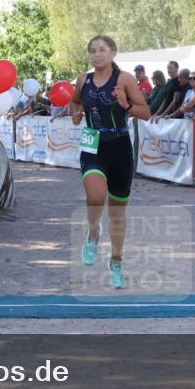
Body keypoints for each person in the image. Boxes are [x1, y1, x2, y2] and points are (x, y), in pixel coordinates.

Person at [69, 35, 151, 289]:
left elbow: (145, 113)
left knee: (117, 213)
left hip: (119, 145)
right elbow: (75, 102)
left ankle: (116, 262)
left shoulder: (124, 79)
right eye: (93, 50)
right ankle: (93, 233)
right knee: (95, 196)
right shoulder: (83, 80)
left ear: (113, 53)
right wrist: (75, 113)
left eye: (102, 50)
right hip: (93, 144)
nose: (97, 54)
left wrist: (126, 105)